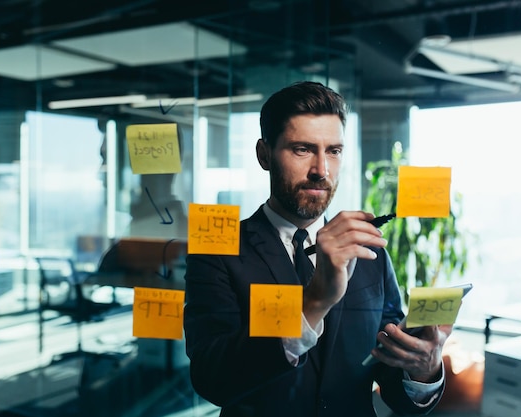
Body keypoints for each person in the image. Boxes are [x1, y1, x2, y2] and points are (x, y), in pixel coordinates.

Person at [183, 81, 451, 417]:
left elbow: (392, 380)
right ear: (264, 154)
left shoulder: (368, 250)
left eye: (334, 151)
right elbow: (212, 380)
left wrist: (423, 369)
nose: (321, 171)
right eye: (302, 149)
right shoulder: (217, 251)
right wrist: (315, 301)